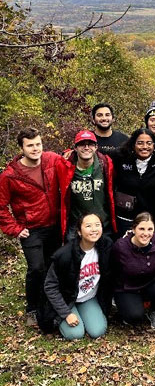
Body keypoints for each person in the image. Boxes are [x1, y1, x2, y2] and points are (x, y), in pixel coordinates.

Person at [0, 128, 65, 325]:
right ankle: (32, 308)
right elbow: (1, 206)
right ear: (21, 148)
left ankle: (51, 302)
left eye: (38, 144)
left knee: (53, 265)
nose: (35, 149)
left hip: (54, 224)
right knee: (36, 268)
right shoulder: (10, 175)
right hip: (31, 228)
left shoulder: (52, 160)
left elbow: (71, 163)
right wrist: (15, 228)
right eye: (30, 145)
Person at [41, 213, 113, 339]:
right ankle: (68, 315)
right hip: (67, 299)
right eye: (88, 226)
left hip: (88, 297)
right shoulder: (64, 255)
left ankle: (86, 312)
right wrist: (66, 313)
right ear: (79, 232)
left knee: (98, 331)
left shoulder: (106, 247)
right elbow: (50, 286)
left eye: (97, 225)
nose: (94, 229)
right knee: (75, 334)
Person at [111, 212, 155, 330]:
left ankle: (154, 311)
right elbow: (112, 269)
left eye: (150, 229)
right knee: (134, 317)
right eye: (141, 229)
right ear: (133, 229)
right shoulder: (120, 246)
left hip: (150, 283)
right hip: (127, 288)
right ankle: (126, 307)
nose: (146, 233)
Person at [57, 130, 117, 241]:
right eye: (82, 144)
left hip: (102, 223)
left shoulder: (106, 164)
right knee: (76, 257)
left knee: (105, 256)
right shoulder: (65, 166)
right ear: (75, 148)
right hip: (76, 226)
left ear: (96, 147)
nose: (86, 147)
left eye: (90, 144)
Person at [111, 128, 155, 237]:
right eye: (140, 143)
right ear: (133, 144)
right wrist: (72, 153)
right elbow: (96, 154)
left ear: (154, 145)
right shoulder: (121, 158)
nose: (144, 147)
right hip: (126, 218)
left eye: (149, 143)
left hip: (152, 219)